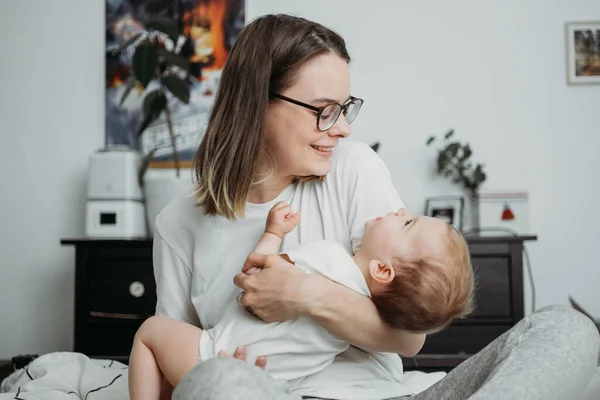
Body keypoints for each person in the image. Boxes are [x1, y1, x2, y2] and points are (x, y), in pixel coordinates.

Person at [151, 13, 600, 400]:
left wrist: (306, 295)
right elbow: (171, 361)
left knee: (566, 329)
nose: (342, 128)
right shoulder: (178, 224)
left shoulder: (352, 169)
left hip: (391, 395)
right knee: (217, 380)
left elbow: (409, 338)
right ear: (257, 105)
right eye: (324, 110)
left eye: (345, 108)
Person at [128, 200, 474, 399]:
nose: (399, 209)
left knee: (151, 331)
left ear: (383, 271)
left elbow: (255, 278)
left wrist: (273, 233)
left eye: (407, 222)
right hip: (270, 385)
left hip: (216, 351)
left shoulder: (329, 258)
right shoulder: (355, 321)